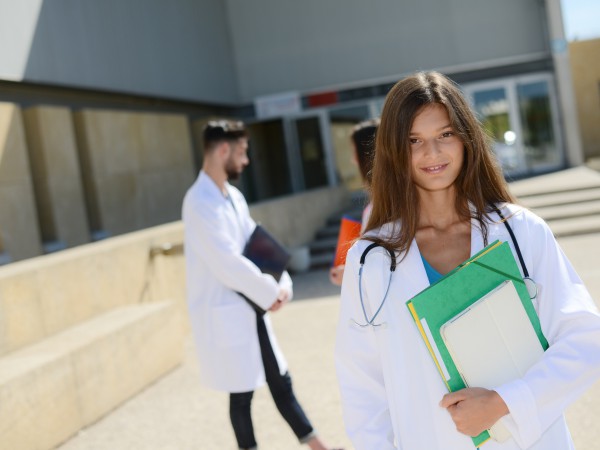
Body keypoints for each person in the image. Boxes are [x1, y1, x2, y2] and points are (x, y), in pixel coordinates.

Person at [334, 72, 600, 449]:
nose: (433, 153)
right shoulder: (370, 260)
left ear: (466, 138)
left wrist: (505, 403)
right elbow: (362, 388)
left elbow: (585, 340)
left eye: (445, 135)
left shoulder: (521, 232)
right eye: (415, 141)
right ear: (394, 149)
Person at [182, 120, 341, 450]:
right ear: (223, 149)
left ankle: (319, 447)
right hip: (232, 307)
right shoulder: (199, 202)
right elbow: (227, 262)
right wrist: (270, 293)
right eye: (241, 152)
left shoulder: (233, 196)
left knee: (279, 380)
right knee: (241, 394)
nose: (246, 160)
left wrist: (281, 283)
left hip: (250, 307)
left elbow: (259, 245)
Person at [329, 118, 379, 286]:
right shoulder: (381, 201)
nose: (352, 160)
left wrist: (350, 273)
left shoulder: (383, 206)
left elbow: (383, 263)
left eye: (354, 151)